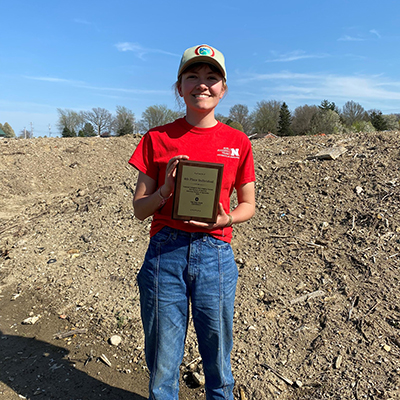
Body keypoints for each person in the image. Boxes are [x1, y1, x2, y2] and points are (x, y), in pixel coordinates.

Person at [128, 44, 255, 400]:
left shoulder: (238, 142)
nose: (203, 85)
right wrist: (165, 191)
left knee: (217, 357)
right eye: (193, 77)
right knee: (164, 361)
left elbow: (248, 205)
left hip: (216, 255)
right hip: (164, 257)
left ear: (223, 89)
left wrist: (224, 219)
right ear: (179, 87)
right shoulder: (156, 138)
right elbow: (139, 209)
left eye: (212, 78)